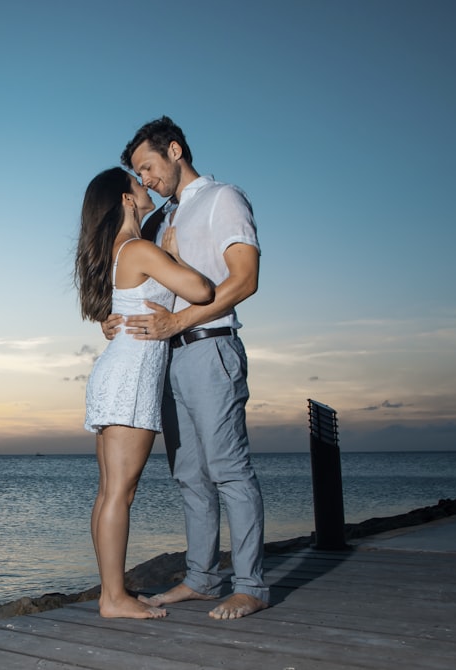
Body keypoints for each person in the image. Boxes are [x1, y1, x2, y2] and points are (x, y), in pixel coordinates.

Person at [107, 116, 269, 619]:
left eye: (148, 166)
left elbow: (245, 280)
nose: (147, 179)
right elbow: (147, 283)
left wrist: (178, 321)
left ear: (175, 150)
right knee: (188, 475)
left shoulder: (224, 199)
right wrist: (117, 320)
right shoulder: (159, 221)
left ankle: (250, 587)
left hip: (209, 348)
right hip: (167, 357)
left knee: (228, 470)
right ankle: (201, 579)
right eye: (139, 173)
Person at [76, 167, 214, 620]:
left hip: (116, 374)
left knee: (109, 492)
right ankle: (114, 598)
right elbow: (201, 289)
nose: (145, 185)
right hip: (131, 378)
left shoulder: (120, 252)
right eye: (138, 183)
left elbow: (113, 312)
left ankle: (108, 594)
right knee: (120, 493)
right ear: (126, 200)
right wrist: (174, 258)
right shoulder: (139, 249)